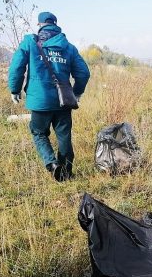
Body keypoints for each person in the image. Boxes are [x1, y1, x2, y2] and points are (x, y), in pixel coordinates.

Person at [8, 11, 90, 181]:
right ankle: (66, 172)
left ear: (40, 25)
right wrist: (77, 93)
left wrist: (15, 90)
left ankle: (52, 164)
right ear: (55, 24)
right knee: (64, 135)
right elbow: (83, 73)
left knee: (39, 133)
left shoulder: (30, 43)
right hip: (64, 100)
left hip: (40, 101)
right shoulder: (68, 47)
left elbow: (17, 67)